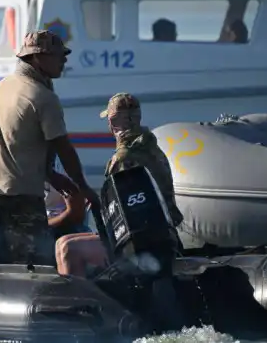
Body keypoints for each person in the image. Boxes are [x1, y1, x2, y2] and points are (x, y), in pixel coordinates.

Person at [0, 30, 92, 266]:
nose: (65, 60)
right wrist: (84, 188)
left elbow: (20, 138)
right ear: (37, 58)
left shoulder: (3, 86)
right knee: (34, 266)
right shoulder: (42, 97)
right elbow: (64, 148)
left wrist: (50, 174)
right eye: (58, 55)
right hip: (22, 198)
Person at [55, 93, 184, 277]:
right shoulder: (154, 149)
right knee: (66, 243)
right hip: (165, 235)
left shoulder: (122, 158)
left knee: (66, 247)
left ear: (112, 123)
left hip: (139, 244)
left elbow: (122, 216)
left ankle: (78, 303)